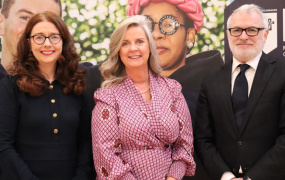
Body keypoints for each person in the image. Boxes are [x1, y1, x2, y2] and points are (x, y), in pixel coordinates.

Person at [127, 1, 224, 179]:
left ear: (190, 36)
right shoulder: (116, 87)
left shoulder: (218, 87)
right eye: (147, 26)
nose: (156, 34)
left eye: (168, 24)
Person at [91, 15, 195, 180]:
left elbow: (185, 144)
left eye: (140, 41)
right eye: (125, 43)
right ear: (118, 50)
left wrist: (173, 177)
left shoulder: (172, 89)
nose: (133, 48)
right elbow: (105, 154)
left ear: (149, 47)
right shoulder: (108, 97)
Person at [195, 4, 285, 180]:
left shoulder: (282, 75)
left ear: (265, 34)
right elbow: (202, 138)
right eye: (236, 30)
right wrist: (227, 176)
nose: (243, 36)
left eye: (252, 30)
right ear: (228, 34)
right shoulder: (210, 80)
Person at [0, 11, 94, 179]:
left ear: (63, 41)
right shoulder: (11, 86)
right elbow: (3, 145)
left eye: (54, 37)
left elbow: (86, 142)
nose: (47, 44)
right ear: (29, 42)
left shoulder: (78, 84)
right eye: (39, 37)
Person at [0, 0, 62, 79]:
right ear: (1, 24)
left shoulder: (75, 86)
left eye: (49, 21)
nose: (37, 30)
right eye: (25, 18)